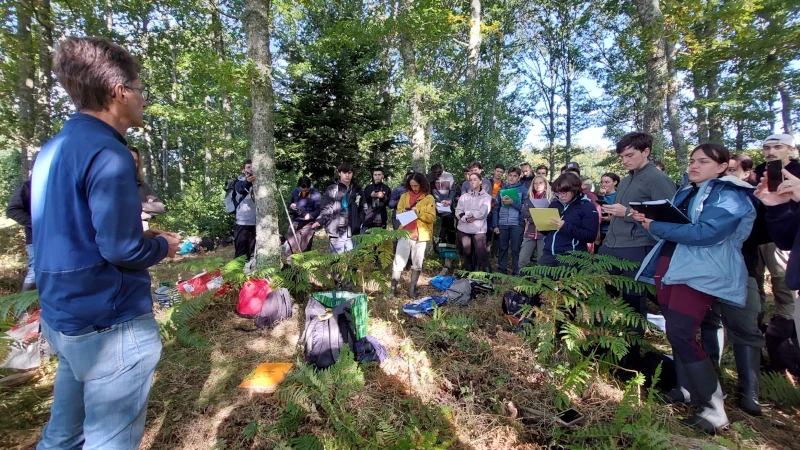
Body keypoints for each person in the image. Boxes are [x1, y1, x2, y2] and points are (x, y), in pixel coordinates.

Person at [30, 36, 181, 450]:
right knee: (108, 441)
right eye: (139, 89)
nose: (143, 99)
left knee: (61, 436)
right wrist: (162, 246)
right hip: (110, 323)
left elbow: (71, 230)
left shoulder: (51, 150)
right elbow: (119, 250)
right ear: (119, 92)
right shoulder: (109, 154)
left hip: (64, 317)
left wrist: (140, 235)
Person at [633, 144, 756, 433]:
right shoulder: (685, 191)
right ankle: (685, 388)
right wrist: (645, 222)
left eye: (703, 161)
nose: (694, 166)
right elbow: (668, 229)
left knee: (681, 332)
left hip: (702, 270)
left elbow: (708, 233)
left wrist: (656, 227)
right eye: (692, 161)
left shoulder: (731, 194)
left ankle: (714, 409)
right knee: (675, 330)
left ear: (723, 166)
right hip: (671, 264)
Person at [599, 132, 676, 335]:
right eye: (622, 157)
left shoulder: (659, 180)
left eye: (630, 155)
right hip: (611, 245)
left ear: (646, 151)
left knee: (633, 300)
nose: (625, 161)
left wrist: (627, 214)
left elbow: (668, 219)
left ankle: (633, 347)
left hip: (638, 246)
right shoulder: (624, 181)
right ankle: (605, 341)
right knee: (601, 293)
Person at [752, 134, 800, 336]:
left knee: (781, 282)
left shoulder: (797, 172)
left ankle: (785, 327)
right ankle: (759, 326)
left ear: (791, 149)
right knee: (756, 282)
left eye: (777, 146)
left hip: (782, 240)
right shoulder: (760, 172)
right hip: (759, 235)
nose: (770, 152)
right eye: (766, 148)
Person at [539, 173, 599, 266]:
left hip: (572, 257)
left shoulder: (587, 207)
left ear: (574, 190)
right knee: (542, 280)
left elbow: (590, 236)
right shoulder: (554, 205)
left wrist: (565, 226)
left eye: (564, 192)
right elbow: (548, 232)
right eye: (558, 193)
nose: (561, 196)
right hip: (548, 254)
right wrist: (541, 225)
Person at [391, 172, 436, 297]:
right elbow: (399, 212)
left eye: (416, 185)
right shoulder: (404, 196)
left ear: (422, 184)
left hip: (421, 235)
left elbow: (431, 217)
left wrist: (418, 212)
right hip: (405, 233)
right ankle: (392, 290)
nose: (414, 188)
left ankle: (412, 290)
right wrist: (405, 212)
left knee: (417, 263)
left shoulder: (429, 198)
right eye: (411, 185)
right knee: (398, 261)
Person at [314, 162, 364, 254]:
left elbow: (363, 207)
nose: (347, 175)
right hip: (336, 230)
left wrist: (358, 221)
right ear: (339, 173)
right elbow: (326, 208)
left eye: (349, 173)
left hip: (353, 230)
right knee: (336, 262)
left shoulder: (357, 189)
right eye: (344, 173)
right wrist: (320, 221)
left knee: (353, 261)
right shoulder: (332, 189)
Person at [492, 167, 529, 275]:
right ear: (507, 176)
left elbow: (525, 209)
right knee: (502, 248)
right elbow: (496, 208)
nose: (512, 178)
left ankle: (516, 271)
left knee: (515, 248)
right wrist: (495, 225)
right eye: (510, 175)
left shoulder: (523, 190)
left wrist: (512, 202)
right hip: (502, 224)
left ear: (518, 178)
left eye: (515, 176)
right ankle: (501, 270)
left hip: (517, 224)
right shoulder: (501, 190)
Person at [456, 173, 492, 272]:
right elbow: (458, 211)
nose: (472, 182)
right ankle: (469, 277)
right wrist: (466, 218)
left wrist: (467, 214)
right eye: (470, 180)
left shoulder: (486, 197)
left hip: (478, 230)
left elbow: (482, 213)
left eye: (475, 179)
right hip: (464, 228)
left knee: (482, 254)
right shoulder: (464, 197)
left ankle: (489, 279)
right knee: (467, 253)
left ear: (480, 181)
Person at [6, 179, 35, 291]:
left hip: (65, 237)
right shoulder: (29, 186)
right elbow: (12, 210)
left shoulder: (63, 183)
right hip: (36, 239)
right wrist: (38, 224)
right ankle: (24, 307)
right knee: (36, 272)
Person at [128, 145, 165, 231]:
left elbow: (160, 207)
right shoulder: (113, 183)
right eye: (129, 160)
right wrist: (145, 209)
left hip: (142, 230)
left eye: (135, 161)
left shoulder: (142, 185)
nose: (132, 164)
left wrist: (137, 207)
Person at [429, 163, 457, 273]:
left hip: (447, 206)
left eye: (439, 173)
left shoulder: (449, 176)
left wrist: (449, 201)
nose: (437, 175)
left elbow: (453, 190)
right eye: (435, 174)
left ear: (443, 171)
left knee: (449, 226)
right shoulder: (429, 177)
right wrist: (434, 203)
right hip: (434, 207)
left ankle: (449, 254)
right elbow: (428, 192)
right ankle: (439, 247)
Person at [519, 175, 552, 268]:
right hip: (529, 232)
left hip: (544, 234)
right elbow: (525, 214)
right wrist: (539, 217)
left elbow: (551, 216)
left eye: (540, 183)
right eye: (535, 183)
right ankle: (523, 281)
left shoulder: (551, 199)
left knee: (541, 261)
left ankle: (540, 281)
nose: (538, 185)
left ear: (545, 184)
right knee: (522, 260)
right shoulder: (528, 199)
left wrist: (534, 216)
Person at [285, 176, 322, 256]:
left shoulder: (316, 194)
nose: (304, 191)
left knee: (305, 248)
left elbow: (318, 210)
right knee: (291, 247)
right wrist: (291, 206)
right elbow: (289, 205)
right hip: (295, 222)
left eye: (307, 190)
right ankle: (289, 266)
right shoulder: (295, 191)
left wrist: (310, 215)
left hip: (308, 224)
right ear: (299, 186)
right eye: (302, 190)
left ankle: (304, 267)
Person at [234, 159, 257, 260]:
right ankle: (236, 274)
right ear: (243, 170)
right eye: (248, 167)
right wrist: (248, 181)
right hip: (243, 223)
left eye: (252, 167)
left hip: (257, 223)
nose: (251, 169)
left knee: (253, 253)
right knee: (241, 254)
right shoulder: (239, 182)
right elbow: (240, 188)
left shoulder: (260, 182)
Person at [362, 167, 392, 232]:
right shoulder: (368, 188)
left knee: (379, 241)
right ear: (373, 176)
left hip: (381, 219)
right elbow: (362, 202)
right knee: (366, 240)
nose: (377, 176)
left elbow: (390, 204)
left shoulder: (386, 188)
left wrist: (383, 196)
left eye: (379, 175)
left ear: (382, 176)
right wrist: (370, 196)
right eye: (375, 175)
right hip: (368, 218)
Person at [596, 172, 620, 246]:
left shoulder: (619, 196)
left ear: (615, 182)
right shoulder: (597, 196)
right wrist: (601, 196)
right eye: (602, 182)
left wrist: (611, 218)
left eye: (607, 182)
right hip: (599, 232)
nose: (603, 185)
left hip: (613, 232)